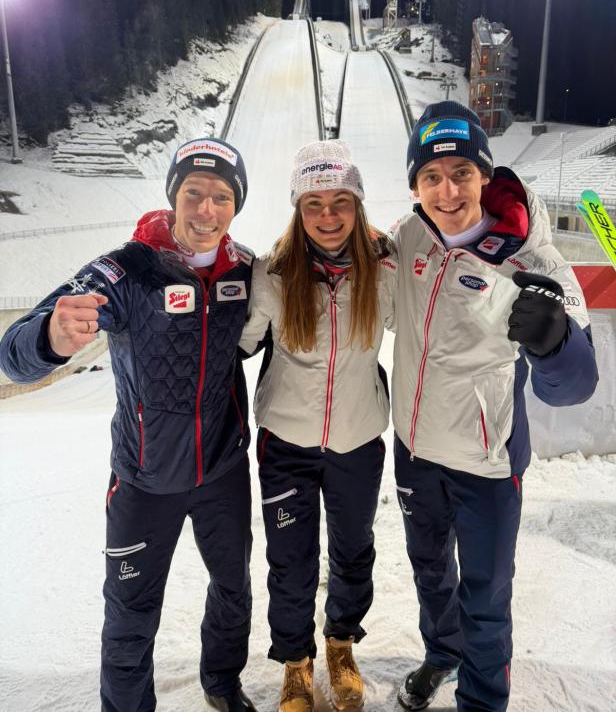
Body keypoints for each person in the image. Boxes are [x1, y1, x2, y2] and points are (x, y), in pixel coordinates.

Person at [0, 138, 258, 712]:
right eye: (194, 193)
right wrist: (48, 339)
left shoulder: (245, 268)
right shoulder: (125, 268)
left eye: (221, 196)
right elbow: (13, 351)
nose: (206, 210)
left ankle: (221, 682)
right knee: (131, 617)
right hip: (144, 480)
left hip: (222, 473)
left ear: (235, 205)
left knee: (234, 592)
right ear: (173, 196)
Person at [390, 101, 599, 712]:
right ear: (415, 186)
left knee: (484, 594)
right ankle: (441, 653)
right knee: (431, 574)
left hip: (487, 462)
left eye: (461, 173)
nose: (447, 190)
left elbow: (575, 385)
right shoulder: (408, 238)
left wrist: (555, 341)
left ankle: (482, 700)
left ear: (485, 176)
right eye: (431, 176)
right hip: (415, 451)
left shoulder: (533, 261)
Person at [240, 140, 397, 712]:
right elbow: (238, 341)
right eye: (313, 203)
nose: (327, 217)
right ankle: (295, 663)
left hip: (357, 438)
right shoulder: (274, 272)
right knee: (291, 559)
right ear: (297, 208)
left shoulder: (386, 266)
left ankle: (340, 645)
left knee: (354, 550)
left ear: (357, 204)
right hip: (287, 442)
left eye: (340, 202)